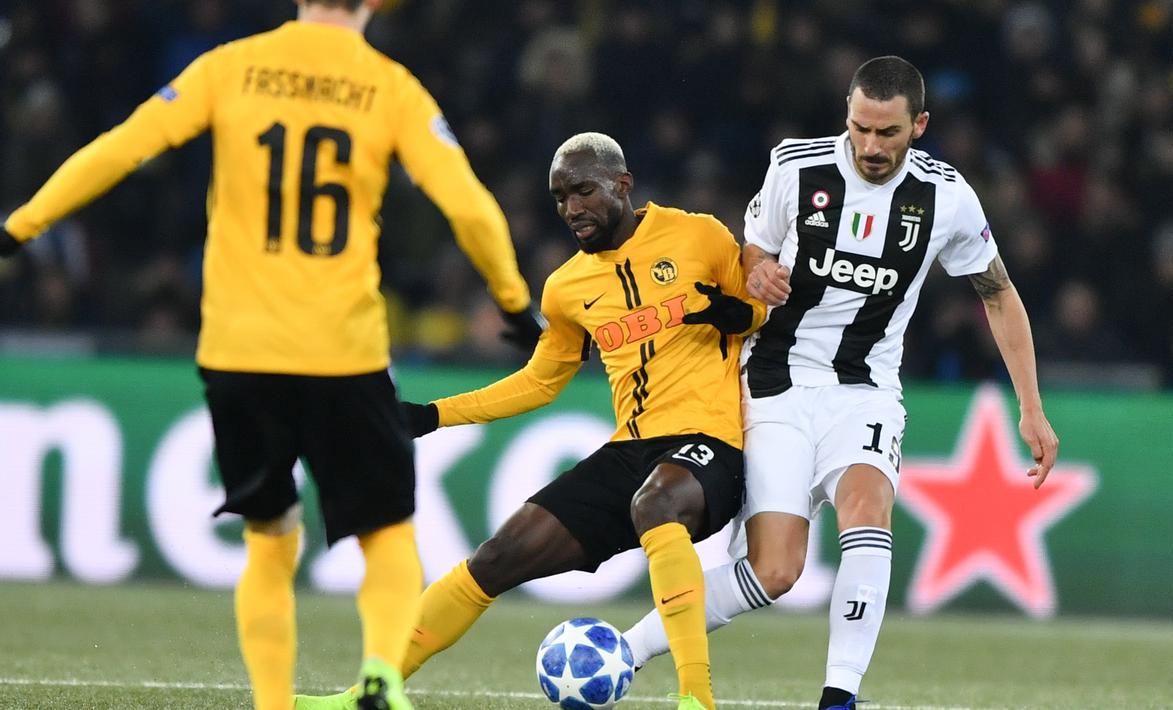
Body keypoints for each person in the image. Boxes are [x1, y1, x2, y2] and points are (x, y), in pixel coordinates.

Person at [0, 2, 541, 709]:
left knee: (269, 535)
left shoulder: (230, 67)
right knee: (385, 530)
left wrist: (19, 228)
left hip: (238, 348)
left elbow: (121, 148)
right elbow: (467, 206)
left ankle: (272, 704)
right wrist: (509, 300)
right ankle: (381, 672)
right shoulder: (390, 86)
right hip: (342, 350)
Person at [620, 56, 1061, 710]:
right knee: (774, 571)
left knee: (866, 503)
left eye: (887, 133)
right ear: (846, 117)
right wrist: (759, 270)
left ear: (919, 125)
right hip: (775, 382)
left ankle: (839, 697)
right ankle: (626, 650)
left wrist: (1030, 406)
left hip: (864, 390)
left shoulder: (946, 197)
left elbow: (997, 293)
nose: (870, 147)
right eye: (859, 129)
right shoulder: (795, 168)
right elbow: (751, 248)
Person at [299, 131, 767, 710]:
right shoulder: (567, 289)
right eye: (560, 198)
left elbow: (762, 308)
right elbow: (540, 381)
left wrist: (733, 312)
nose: (571, 209)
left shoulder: (699, 234)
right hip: (632, 451)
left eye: (583, 191)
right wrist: (431, 415)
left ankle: (697, 700)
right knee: (496, 557)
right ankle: (368, 694)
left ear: (623, 185)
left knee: (656, 504)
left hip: (711, 445)